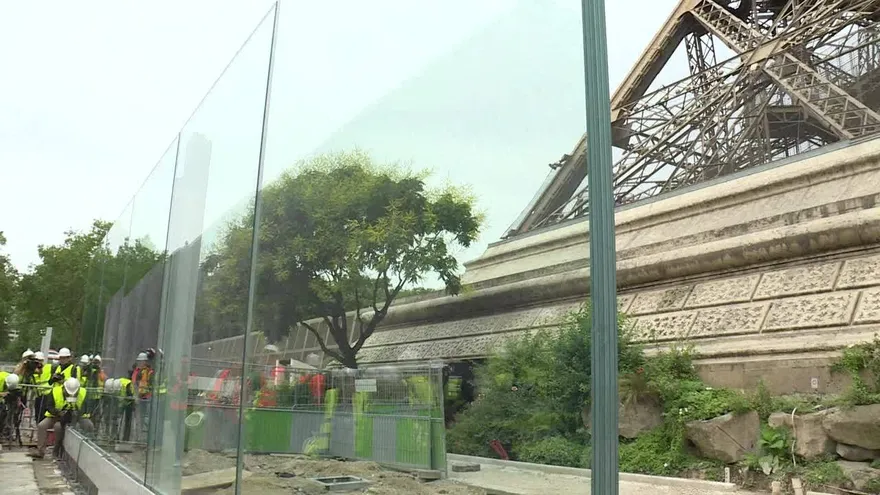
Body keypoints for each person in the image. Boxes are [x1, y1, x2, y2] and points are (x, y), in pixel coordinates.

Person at [28, 378, 94, 460]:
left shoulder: (83, 393)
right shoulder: (55, 391)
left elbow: (87, 407)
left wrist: (78, 413)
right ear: (64, 388)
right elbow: (49, 406)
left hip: (78, 416)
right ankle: (41, 451)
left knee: (89, 425)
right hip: (56, 416)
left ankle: (86, 451)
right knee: (42, 425)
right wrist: (57, 412)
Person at [0, 373, 23, 442]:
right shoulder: (1, 379)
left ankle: (3, 433)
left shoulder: (13, 379)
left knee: (3, 416)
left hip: (3, 403)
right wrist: (2, 394)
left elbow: (17, 392)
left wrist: (18, 399)